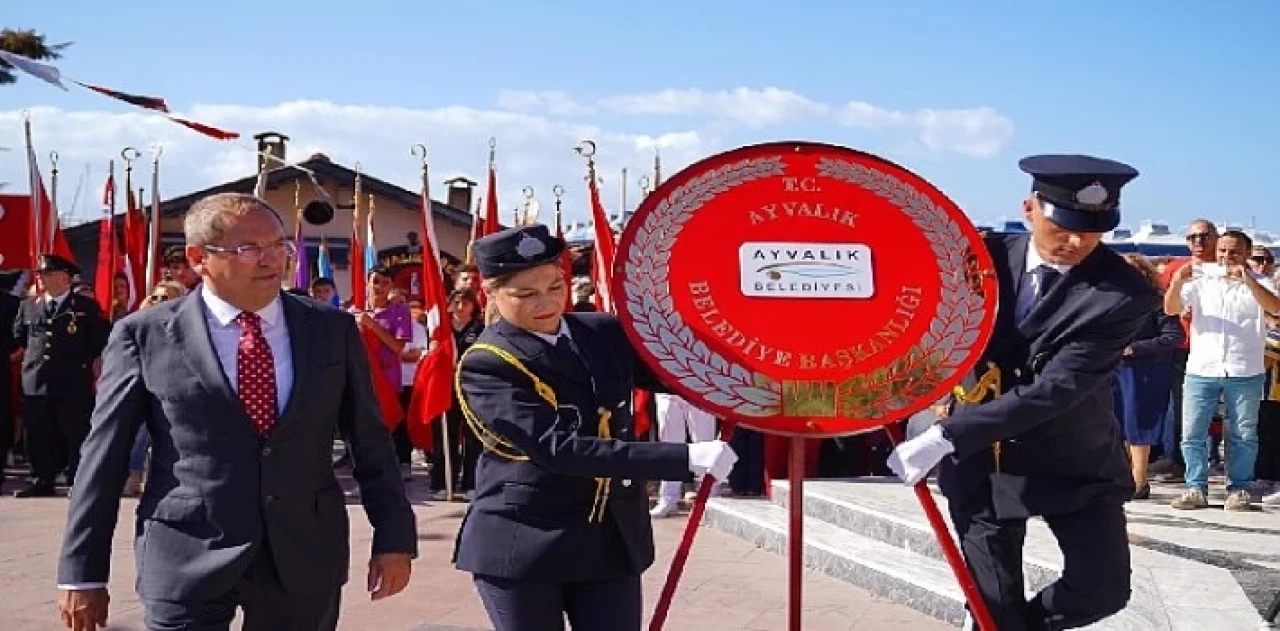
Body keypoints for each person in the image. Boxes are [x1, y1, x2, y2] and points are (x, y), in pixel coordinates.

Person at [55, 193, 418, 631]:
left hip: (302, 554)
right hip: (187, 552)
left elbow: (370, 441)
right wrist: (82, 572)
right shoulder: (144, 335)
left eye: (278, 246)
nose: (271, 260)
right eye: (249, 249)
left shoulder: (330, 329)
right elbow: (104, 458)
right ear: (198, 258)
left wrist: (394, 538)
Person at [888, 154, 1158, 631]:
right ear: (1031, 209)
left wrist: (948, 435)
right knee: (995, 609)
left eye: (1093, 231)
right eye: (1064, 226)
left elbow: (1057, 387)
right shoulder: (979, 259)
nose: (1076, 242)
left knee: (1102, 590)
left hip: (1072, 459)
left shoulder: (1122, 293)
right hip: (984, 469)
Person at [454, 224, 738, 631]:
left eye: (555, 286)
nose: (547, 302)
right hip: (526, 545)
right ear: (490, 294)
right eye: (526, 294)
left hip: (610, 541)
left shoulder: (601, 331)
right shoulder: (488, 362)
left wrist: (745, 377)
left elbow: (676, 374)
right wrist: (684, 457)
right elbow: (560, 448)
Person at [12, 254, 110, 498]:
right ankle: (41, 479)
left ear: (65, 278)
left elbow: (99, 341)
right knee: (37, 434)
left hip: (71, 382)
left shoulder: (85, 307)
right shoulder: (28, 305)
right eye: (41, 274)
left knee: (75, 433)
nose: (42, 278)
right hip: (37, 380)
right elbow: (21, 337)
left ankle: (77, 479)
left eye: (49, 274)